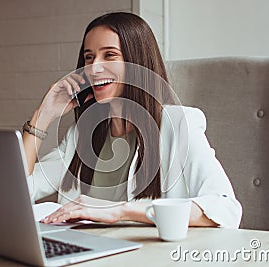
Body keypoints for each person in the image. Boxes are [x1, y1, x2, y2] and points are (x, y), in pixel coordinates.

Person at [22, 12, 242, 228]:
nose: (94, 67)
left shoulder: (178, 124)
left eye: (109, 55)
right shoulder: (82, 134)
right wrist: (43, 116)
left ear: (137, 62)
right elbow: (20, 190)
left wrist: (119, 211)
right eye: (89, 57)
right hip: (85, 255)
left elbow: (225, 209)